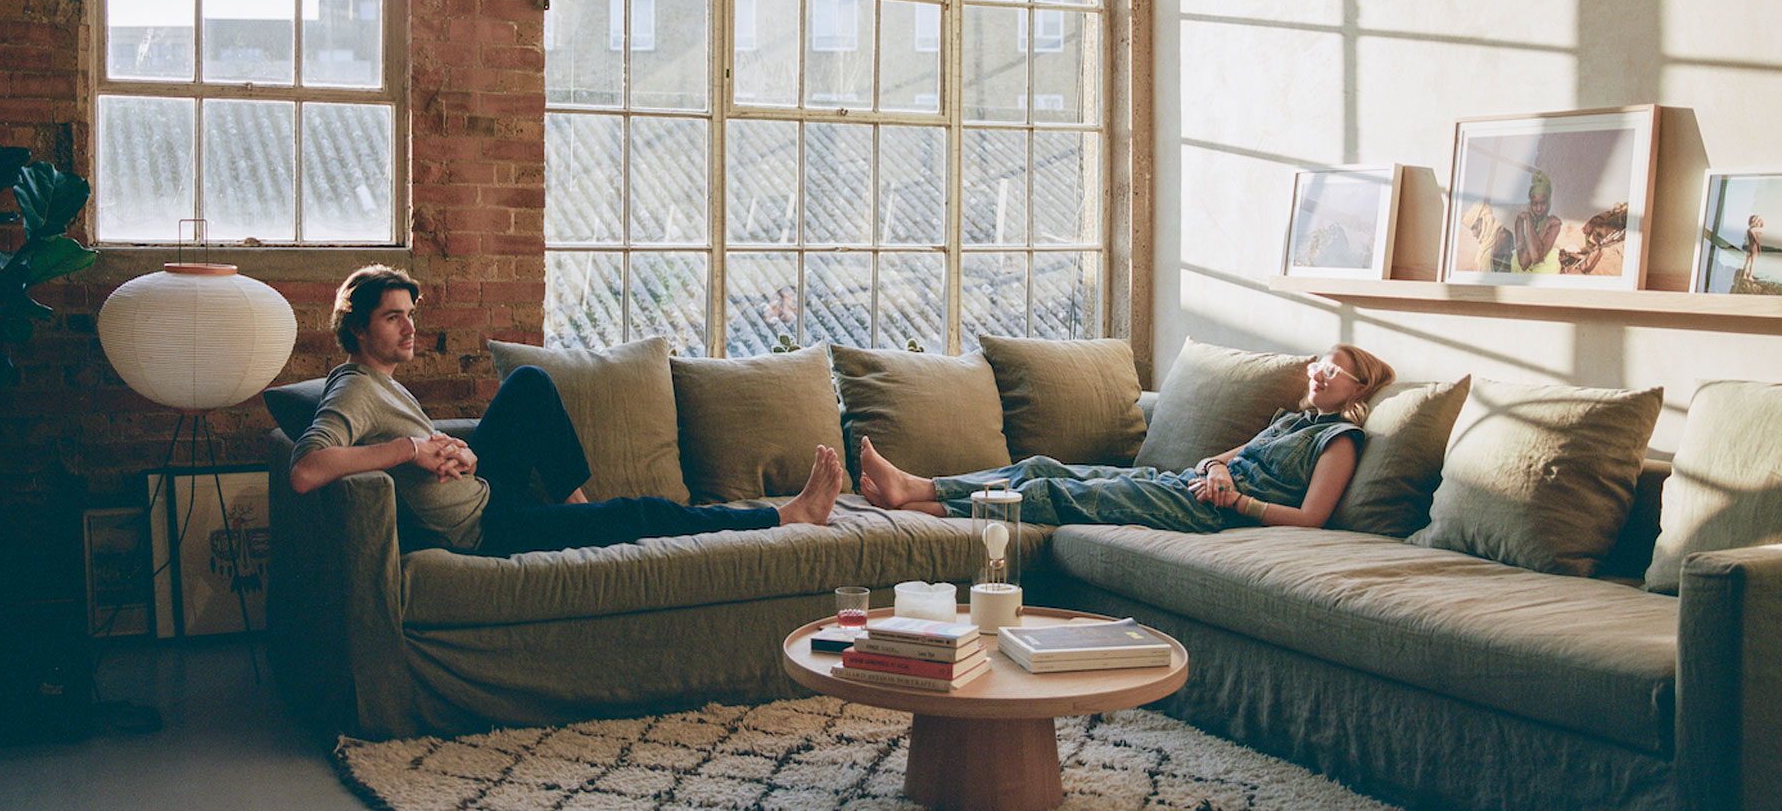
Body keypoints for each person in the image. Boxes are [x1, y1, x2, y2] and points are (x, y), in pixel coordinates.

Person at [291, 265, 841, 556]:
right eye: (393, 318)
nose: (410, 327)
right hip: (488, 528)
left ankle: (575, 512)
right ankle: (785, 515)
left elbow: (415, 454)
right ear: (358, 327)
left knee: (531, 384)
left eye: (410, 313)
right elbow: (306, 469)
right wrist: (409, 450)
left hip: (487, 492)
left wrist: (450, 449)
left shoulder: (384, 382)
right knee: (643, 513)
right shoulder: (355, 389)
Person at [858, 344, 1395, 531]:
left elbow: (1310, 519)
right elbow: (1218, 457)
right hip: (1188, 484)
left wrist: (1238, 500)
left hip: (1209, 514)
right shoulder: (1290, 422)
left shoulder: (1340, 441)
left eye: (1336, 369)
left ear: (1360, 385)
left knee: (1051, 493)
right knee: (1042, 466)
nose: (1319, 372)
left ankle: (916, 496)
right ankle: (920, 495)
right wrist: (1217, 471)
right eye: (1320, 363)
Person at [1512, 170, 1562, 274]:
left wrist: (1545, 225)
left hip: (1545, 273)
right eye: (1535, 204)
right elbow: (1524, 263)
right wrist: (1530, 220)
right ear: (1530, 203)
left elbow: (1535, 256)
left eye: (1543, 203)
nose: (1539, 208)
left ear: (1548, 203)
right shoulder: (1521, 221)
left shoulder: (1554, 224)